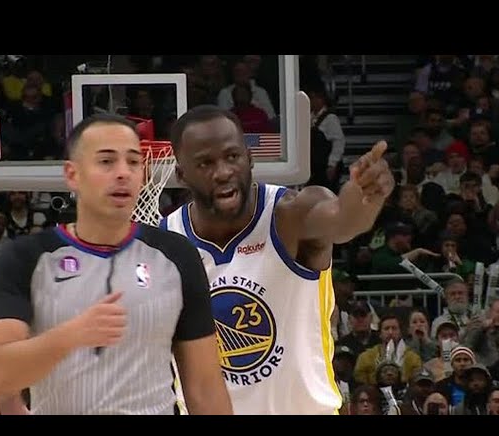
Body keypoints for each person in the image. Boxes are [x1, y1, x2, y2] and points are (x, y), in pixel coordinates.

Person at [0, 113, 232, 415]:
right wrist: (71, 335)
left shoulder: (177, 255)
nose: (123, 173)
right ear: (72, 175)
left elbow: (205, 386)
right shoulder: (25, 258)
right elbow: (0, 376)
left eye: (133, 162)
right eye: (107, 161)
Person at [161, 105, 394, 414]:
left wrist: (366, 196)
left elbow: (342, 221)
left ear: (249, 157)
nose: (223, 172)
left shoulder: (290, 215)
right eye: (205, 163)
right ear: (181, 175)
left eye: (232, 156)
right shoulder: (165, 246)